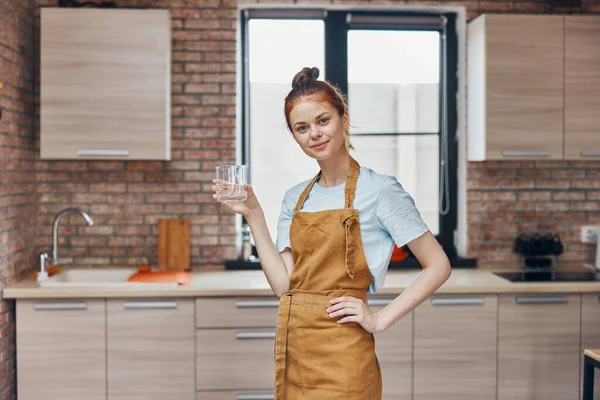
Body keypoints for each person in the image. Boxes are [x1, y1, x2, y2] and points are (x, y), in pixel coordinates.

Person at [213, 66, 452, 399]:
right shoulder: (294, 198)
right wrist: (254, 214)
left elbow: (438, 264)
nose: (314, 134)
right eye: (302, 127)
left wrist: (380, 319)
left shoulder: (381, 190)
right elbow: (285, 285)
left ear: (344, 118)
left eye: (323, 120)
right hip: (297, 348)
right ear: (294, 135)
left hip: (345, 354)